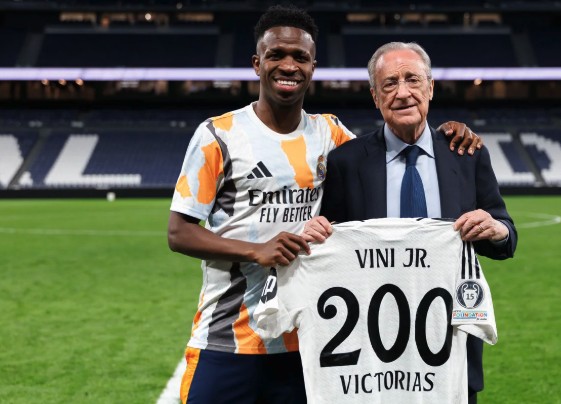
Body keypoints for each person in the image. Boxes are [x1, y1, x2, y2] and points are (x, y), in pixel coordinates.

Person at [167, 6, 482, 404]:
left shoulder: (330, 134)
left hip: (311, 340)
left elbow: (386, 151)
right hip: (228, 337)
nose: (289, 65)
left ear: (312, 67)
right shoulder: (218, 135)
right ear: (257, 63)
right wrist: (256, 250)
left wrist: (443, 134)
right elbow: (179, 232)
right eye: (276, 55)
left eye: (300, 57)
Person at [306, 42, 518, 404]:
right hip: (371, 357)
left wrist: (496, 230)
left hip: (450, 352)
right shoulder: (346, 162)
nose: (402, 92)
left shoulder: (466, 154)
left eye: (412, 80)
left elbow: (507, 237)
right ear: (375, 96)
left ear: (430, 88)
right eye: (389, 84)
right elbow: (330, 248)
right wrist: (315, 234)